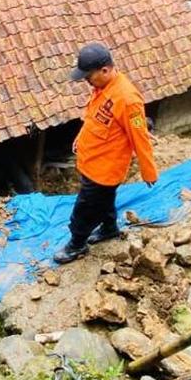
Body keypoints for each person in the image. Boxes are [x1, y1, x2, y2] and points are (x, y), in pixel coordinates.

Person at [54, 43, 159, 264]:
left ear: (105, 70)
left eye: (88, 76)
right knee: (105, 199)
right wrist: (80, 139)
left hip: (105, 169)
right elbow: (93, 118)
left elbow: (139, 136)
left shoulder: (128, 99)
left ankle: (76, 244)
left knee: (85, 207)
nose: (86, 81)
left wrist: (148, 171)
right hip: (91, 159)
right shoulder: (101, 89)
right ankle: (109, 228)